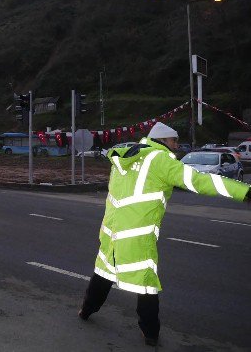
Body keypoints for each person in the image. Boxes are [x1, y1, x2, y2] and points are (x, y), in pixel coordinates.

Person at [78, 122, 251, 346]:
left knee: (103, 272)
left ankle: (85, 311)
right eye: (174, 141)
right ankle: (150, 334)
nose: (177, 146)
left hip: (110, 231)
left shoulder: (125, 157)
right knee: (146, 284)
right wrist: (244, 190)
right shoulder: (160, 160)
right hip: (137, 234)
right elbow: (199, 181)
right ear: (162, 141)